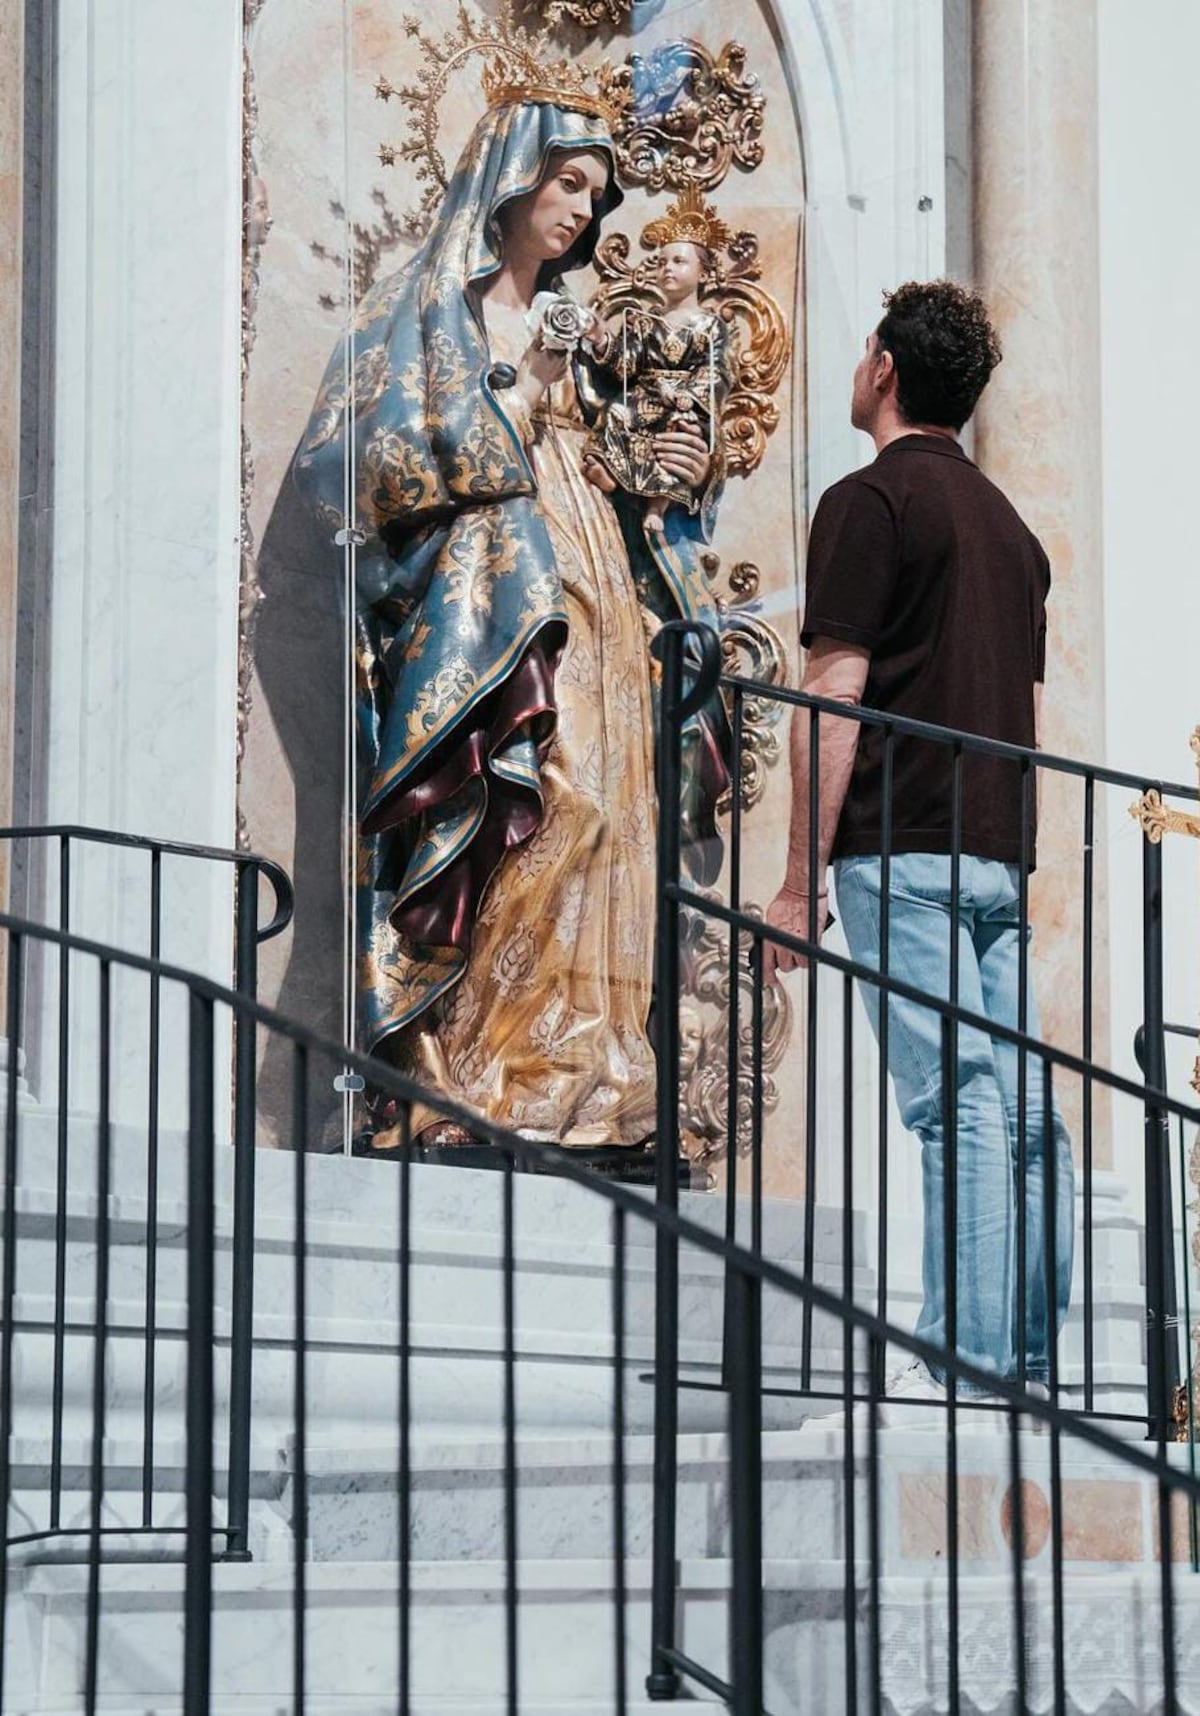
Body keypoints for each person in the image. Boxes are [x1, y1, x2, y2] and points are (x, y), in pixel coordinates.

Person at [293, 65, 728, 1160]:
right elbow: (347, 464)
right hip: (486, 602)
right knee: (532, 790)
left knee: (602, 802)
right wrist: (520, 398)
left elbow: (605, 452)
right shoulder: (429, 314)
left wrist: (658, 457)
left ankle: (580, 1069)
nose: (582, 211)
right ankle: (471, 1066)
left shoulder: (567, 316)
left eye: (594, 195)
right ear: (513, 176)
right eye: (568, 183)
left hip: (586, 580)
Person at [765, 280, 1073, 1410]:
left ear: (887, 370)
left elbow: (834, 691)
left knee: (954, 1103)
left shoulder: (870, 501)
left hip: (902, 847)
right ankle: (1028, 1362)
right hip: (996, 848)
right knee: (1023, 1109)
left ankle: (964, 1363)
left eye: (863, 351)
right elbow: (1022, 716)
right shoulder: (1012, 530)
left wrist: (800, 885)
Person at [582, 187, 731, 535]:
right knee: (617, 413)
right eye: (662, 262)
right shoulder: (644, 321)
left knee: (676, 438)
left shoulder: (710, 326)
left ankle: (658, 505)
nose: (667, 269)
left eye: (679, 261)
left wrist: (689, 396)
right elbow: (626, 364)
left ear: (703, 273)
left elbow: (718, 371)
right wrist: (603, 340)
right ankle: (614, 476)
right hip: (646, 397)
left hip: (680, 404)